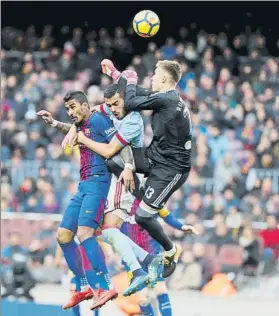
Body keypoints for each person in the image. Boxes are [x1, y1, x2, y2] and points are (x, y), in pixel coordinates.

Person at [61, 80, 196, 296]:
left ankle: (140, 268)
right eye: (110, 105)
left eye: (115, 104)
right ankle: (148, 261)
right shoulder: (114, 113)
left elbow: (113, 150)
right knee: (99, 230)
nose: (111, 109)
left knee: (106, 231)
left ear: (126, 101)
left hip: (121, 176)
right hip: (125, 177)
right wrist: (178, 225)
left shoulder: (131, 119)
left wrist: (127, 165)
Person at [101, 59, 192, 278]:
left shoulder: (169, 99)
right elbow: (134, 93)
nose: (151, 77)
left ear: (163, 78)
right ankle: (144, 196)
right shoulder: (165, 98)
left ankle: (171, 250)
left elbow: (131, 101)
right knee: (113, 161)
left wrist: (130, 78)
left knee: (142, 217)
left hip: (172, 169)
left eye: (154, 74)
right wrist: (115, 73)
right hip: (155, 158)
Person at [37, 90, 119, 311]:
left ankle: (105, 286)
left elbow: (120, 146)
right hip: (83, 184)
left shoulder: (100, 120)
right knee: (63, 235)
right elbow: (70, 134)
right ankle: (83, 286)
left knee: (84, 233)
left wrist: (129, 168)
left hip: (99, 183)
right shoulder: (80, 125)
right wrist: (54, 122)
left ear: (85, 105)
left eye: (73, 107)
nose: (70, 112)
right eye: (67, 109)